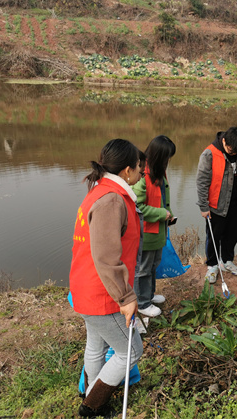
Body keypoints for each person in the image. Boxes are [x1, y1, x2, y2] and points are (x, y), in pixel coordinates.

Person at [69, 139, 145, 418]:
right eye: (138, 168)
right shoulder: (112, 200)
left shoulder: (100, 190)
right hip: (103, 292)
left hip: (86, 287)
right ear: (127, 171)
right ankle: (92, 405)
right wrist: (125, 297)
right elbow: (106, 257)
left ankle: (89, 391)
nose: (141, 173)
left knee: (96, 344)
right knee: (131, 351)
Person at [196, 126, 237, 283]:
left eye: (236, 152)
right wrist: (203, 207)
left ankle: (227, 261)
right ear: (224, 141)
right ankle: (212, 265)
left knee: (233, 233)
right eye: (230, 150)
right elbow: (201, 182)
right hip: (216, 205)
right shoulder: (209, 154)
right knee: (214, 236)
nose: (233, 154)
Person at [132, 135, 176, 318]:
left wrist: (169, 215)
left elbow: (162, 200)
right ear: (159, 156)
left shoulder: (158, 172)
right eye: (167, 157)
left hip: (158, 231)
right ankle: (141, 303)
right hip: (146, 234)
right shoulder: (143, 176)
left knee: (152, 266)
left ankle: (148, 295)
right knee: (142, 269)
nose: (168, 161)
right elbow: (137, 206)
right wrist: (161, 214)